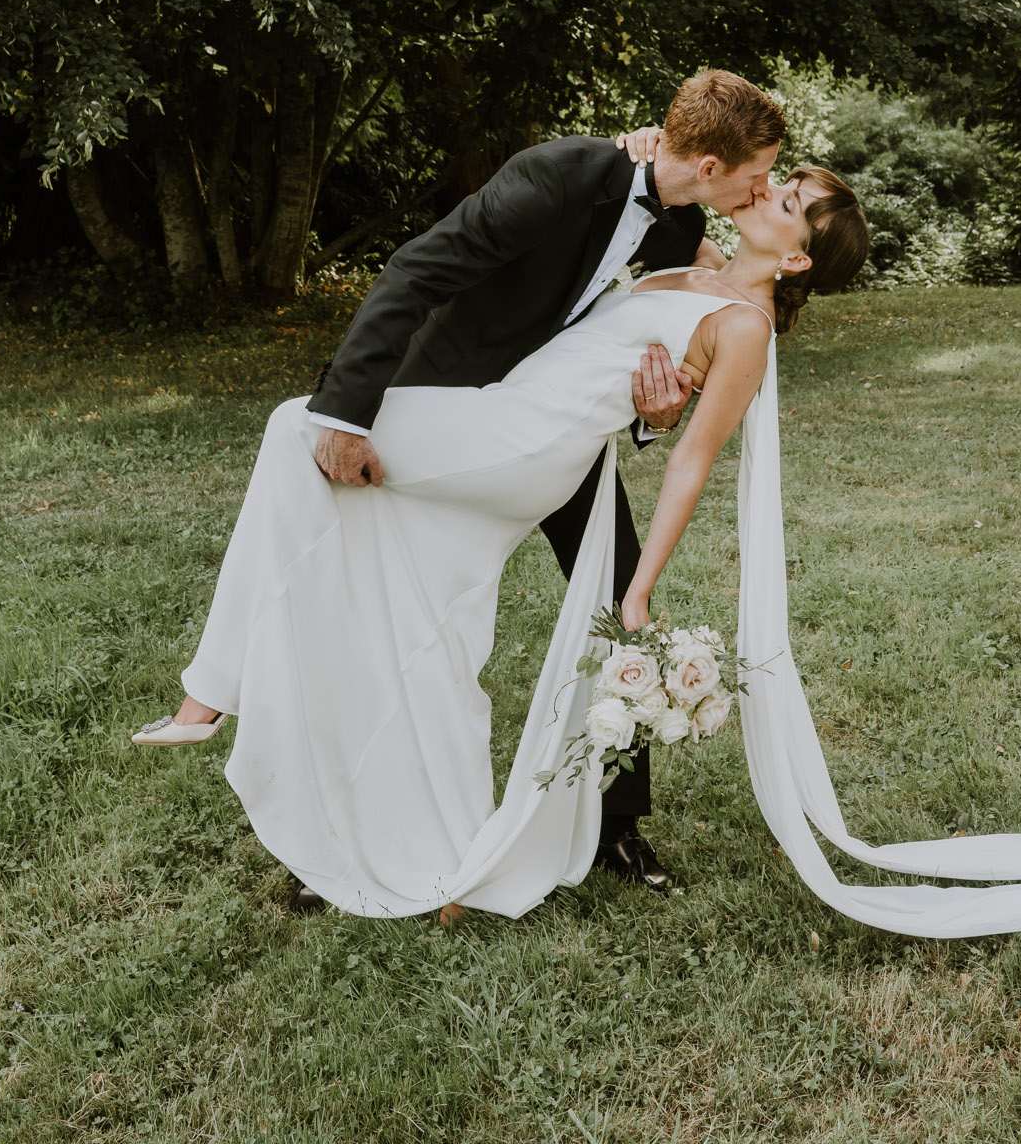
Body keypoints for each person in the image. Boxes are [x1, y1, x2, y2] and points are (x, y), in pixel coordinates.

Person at [131, 69, 797, 904]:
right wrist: (348, 411)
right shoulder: (557, 174)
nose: (760, 186)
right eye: (756, 172)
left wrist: (651, 420)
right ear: (705, 163)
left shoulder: (682, 231)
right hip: (459, 405)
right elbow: (420, 270)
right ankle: (346, 830)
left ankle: (616, 827)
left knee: (621, 602)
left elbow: (637, 357)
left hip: (556, 441)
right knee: (390, 604)